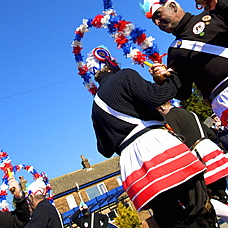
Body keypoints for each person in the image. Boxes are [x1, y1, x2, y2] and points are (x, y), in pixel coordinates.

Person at [87, 45, 218, 228]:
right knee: (197, 203)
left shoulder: (95, 107)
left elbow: (104, 149)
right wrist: (174, 77)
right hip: (156, 146)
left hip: (132, 163)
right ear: (110, 63)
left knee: (168, 216)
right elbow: (154, 98)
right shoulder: (124, 76)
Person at [140, 0, 228, 126]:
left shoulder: (212, 14)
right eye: (154, 21)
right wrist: (164, 78)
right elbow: (183, 93)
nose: (157, 23)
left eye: (158, 15)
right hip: (222, 103)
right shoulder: (174, 51)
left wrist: (217, 3)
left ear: (173, 6)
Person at [157, 102, 228, 220]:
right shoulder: (190, 113)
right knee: (221, 189)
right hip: (209, 147)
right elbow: (211, 133)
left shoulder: (169, 119)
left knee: (207, 195)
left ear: (161, 107)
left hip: (198, 153)